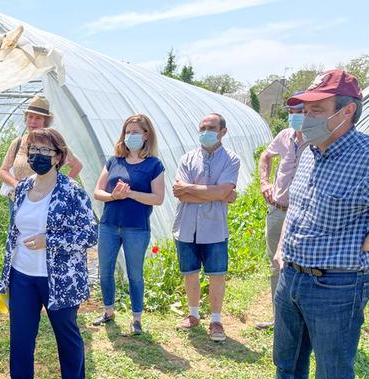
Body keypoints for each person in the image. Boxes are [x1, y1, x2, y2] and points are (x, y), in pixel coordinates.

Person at [235, 70, 368, 379]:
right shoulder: (309, 152)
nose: (305, 117)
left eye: (316, 110)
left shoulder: (365, 156)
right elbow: (297, 204)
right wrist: (283, 249)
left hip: (337, 286)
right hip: (292, 275)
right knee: (286, 361)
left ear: (345, 112)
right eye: (304, 108)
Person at [0, 128, 97, 379]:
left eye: (45, 152)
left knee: (66, 332)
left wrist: (49, 242)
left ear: (59, 157)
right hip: (22, 275)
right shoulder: (23, 188)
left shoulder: (71, 191)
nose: (38, 157)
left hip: (60, 279)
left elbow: (90, 234)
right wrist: (6, 275)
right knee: (21, 333)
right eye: (34, 151)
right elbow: (13, 233)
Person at [92, 114, 165, 334]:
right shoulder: (114, 161)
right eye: (127, 132)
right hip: (109, 225)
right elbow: (98, 192)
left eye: (135, 132)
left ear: (146, 135)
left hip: (136, 228)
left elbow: (158, 198)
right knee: (105, 270)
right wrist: (113, 196)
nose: (130, 136)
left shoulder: (154, 165)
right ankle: (108, 310)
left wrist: (130, 193)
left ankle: (136, 318)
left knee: (135, 273)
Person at [172, 113, 240, 342]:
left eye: (211, 127)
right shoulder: (187, 158)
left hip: (215, 228)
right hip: (186, 225)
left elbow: (221, 191)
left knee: (216, 275)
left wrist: (192, 190)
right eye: (202, 127)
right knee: (190, 273)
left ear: (223, 131)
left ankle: (216, 320)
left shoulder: (231, 159)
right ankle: (193, 315)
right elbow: (178, 192)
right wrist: (216, 194)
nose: (205, 131)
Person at [255, 98, 307, 329]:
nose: (294, 115)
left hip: (304, 214)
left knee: (303, 265)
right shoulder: (285, 136)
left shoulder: (319, 141)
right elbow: (265, 156)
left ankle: (304, 320)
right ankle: (279, 318)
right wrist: (265, 184)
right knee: (275, 263)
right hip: (278, 209)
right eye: (291, 111)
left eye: (300, 111)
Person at [0, 96, 83, 205]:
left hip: (45, 200)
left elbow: (77, 165)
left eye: (38, 118)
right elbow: (3, 170)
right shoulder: (18, 142)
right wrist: (16, 184)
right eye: (30, 117)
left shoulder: (54, 143)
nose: (33, 121)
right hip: (18, 199)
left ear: (45, 121)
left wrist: (60, 188)